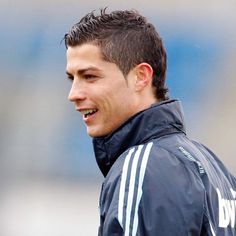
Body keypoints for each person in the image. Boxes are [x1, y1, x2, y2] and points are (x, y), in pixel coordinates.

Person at [64, 8, 236, 236]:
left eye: (90, 77)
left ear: (141, 76)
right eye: (72, 78)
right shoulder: (216, 170)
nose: (73, 94)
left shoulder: (142, 168)